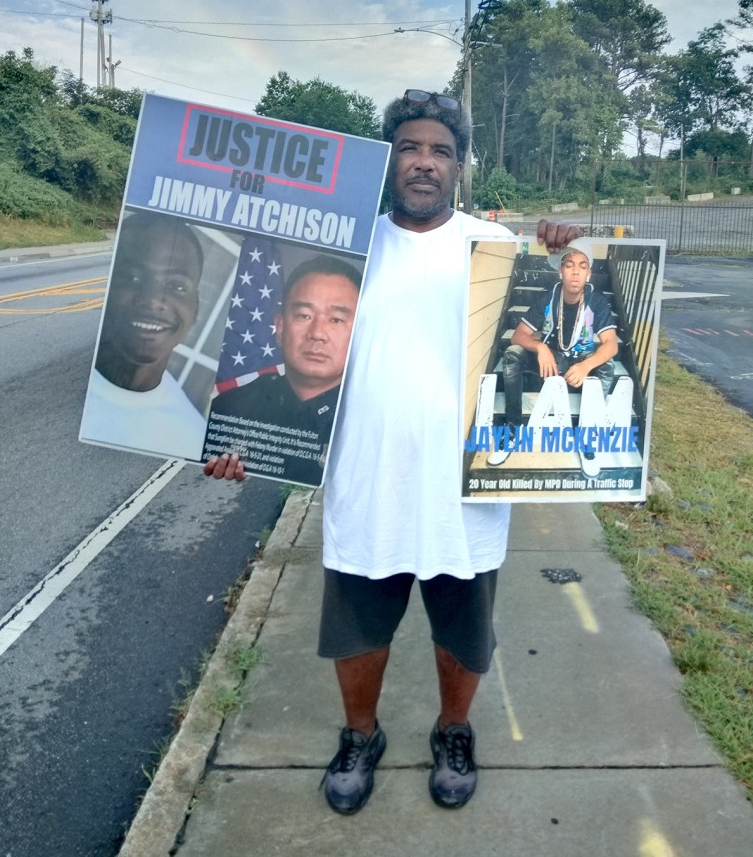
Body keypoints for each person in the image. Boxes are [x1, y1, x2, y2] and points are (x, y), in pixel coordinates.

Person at [204, 89, 580, 813]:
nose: (424, 162)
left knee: (464, 631)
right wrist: (242, 446)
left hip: (466, 489)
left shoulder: (497, 249)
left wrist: (564, 254)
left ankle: (455, 730)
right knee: (358, 629)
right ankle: (360, 735)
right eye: (410, 147)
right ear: (388, 159)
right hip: (364, 480)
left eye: (441, 150)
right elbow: (294, 359)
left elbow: (558, 338)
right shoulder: (346, 245)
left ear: (460, 167)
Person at [205, 255, 361, 485]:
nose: (317, 333)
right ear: (280, 327)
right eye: (304, 316)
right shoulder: (231, 408)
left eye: (336, 320)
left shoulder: (368, 423)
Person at [81, 210, 207, 461]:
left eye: (177, 286)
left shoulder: (192, 434)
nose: (153, 301)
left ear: (195, 310)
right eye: (132, 277)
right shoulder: (64, 390)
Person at [488, 242, 618, 469]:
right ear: (561, 272)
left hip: (579, 360)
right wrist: (541, 348)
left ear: (588, 274)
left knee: (607, 365)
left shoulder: (596, 301)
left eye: (582, 266)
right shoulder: (548, 298)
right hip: (551, 360)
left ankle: (588, 437)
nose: (575, 271)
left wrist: (586, 366)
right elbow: (519, 336)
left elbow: (611, 344)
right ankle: (512, 429)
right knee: (512, 354)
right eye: (569, 266)